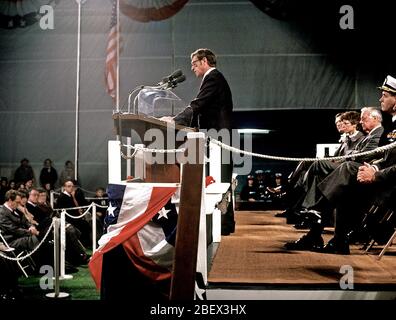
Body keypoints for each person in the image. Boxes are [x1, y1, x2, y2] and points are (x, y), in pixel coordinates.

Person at [161, 48, 235, 235]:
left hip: (220, 138)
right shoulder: (213, 78)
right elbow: (201, 108)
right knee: (221, 179)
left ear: (204, 62)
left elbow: (198, 103)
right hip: (219, 137)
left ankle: (224, 224)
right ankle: (225, 223)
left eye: (194, 63)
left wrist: (176, 120)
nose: (192, 68)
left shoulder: (213, 77)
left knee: (222, 180)